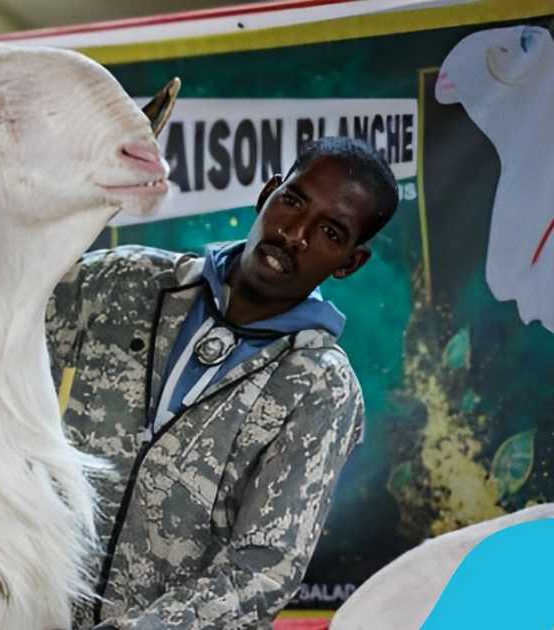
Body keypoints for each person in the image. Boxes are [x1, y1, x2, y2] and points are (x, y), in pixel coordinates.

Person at [46, 136, 399, 630]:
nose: (294, 234)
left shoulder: (321, 388)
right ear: (268, 194)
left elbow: (262, 570)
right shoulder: (126, 281)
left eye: (330, 232)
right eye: (294, 201)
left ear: (348, 263)